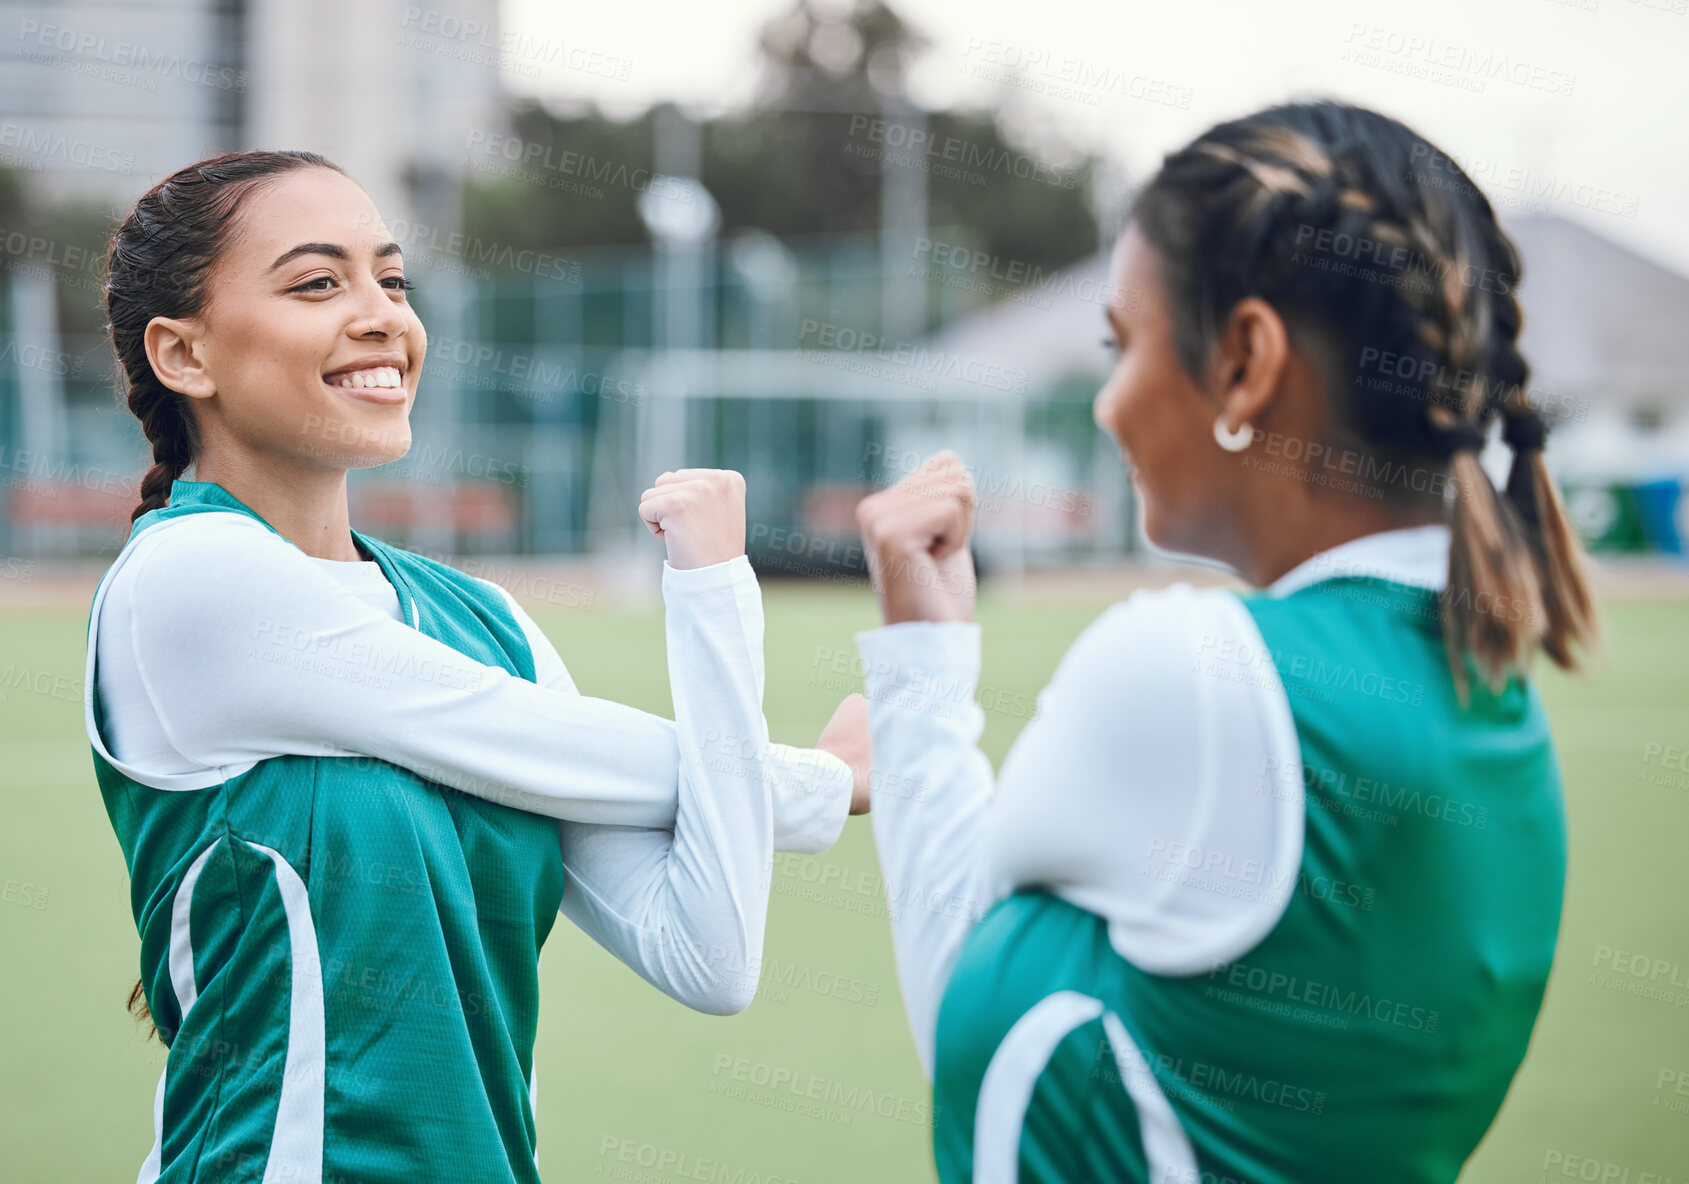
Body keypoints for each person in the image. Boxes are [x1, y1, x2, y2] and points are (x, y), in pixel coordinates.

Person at [850, 100, 1597, 1182]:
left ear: (1245, 359)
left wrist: (922, 667)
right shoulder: (1493, 695)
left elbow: (961, 998)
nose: (1107, 404)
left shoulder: (1195, 673)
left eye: (1122, 343)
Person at [87, 149, 869, 1184]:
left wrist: (716, 591)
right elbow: (586, 751)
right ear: (184, 354)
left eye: (393, 279)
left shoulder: (486, 622)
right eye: (319, 282)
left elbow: (708, 952)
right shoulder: (192, 577)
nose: (381, 316)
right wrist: (828, 784)